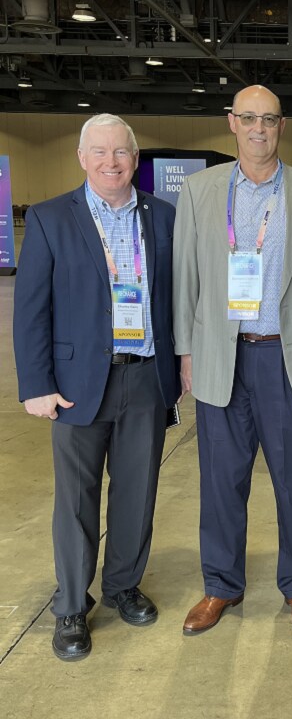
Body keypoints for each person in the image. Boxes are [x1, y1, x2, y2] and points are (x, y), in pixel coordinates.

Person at [174, 85, 292, 637]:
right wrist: (186, 353)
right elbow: (185, 278)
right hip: (221, 358)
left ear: (282, 126)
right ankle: (221, 585)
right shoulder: (200, 191)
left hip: (287, 357)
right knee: (221, 481)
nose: (259, 129)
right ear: (232, 123)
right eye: (249, 118)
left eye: (269, 119)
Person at [13, 114, 179, 661]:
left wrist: (179, 368)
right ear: (82, 158)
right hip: (76, 384)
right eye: (100, 152)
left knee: (137, 491)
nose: (112, 162)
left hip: (146, 375)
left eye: (121, 152)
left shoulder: (163, 216)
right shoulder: (50, 218)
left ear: (136, 159)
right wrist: (36, 384)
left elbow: (176, 298)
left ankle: (122, 585)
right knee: (75, 500)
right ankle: (70, 606)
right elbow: (31, 309)